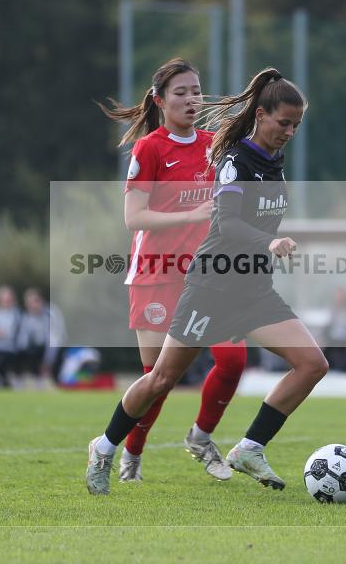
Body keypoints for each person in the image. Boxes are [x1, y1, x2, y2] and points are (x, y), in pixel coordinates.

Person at [87, 67, 326, 496]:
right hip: (211, 289)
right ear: (261, 115)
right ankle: (106, 447)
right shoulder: (234, 161)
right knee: (160, 380)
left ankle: (250, 447)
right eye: (284, 122)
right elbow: (228, 223)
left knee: (313, 364)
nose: (290, 131)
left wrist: (270, 250)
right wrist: (267, 243)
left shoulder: (274, 161)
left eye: (297, 125)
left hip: (252, 290)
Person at [97, 57, 248, 482]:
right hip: (156, 275)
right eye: (180, 92)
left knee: (233, 360)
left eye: (196, 91)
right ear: (160, 101)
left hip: (207, 276)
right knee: (158, 381)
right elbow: (133, 218)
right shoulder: (149, 148)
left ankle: (201, 437)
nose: (191, 99)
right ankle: (133, 453)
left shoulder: (214, 144)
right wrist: (190, 215)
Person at [15, 287, 65, 388]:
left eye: (33, 302)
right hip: (37, 351)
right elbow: (22, 342)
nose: (30, 306)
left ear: (40, 301)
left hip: (55, 350)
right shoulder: (26, 317)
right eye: (28, 302)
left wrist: (47, 362)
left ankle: (52, 381)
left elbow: (54, 340)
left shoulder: (51, 314)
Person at [323, 286, 346, 371]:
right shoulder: (333, 309)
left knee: (340, 353)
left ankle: (340, 370)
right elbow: (329, 325)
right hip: (333, 338)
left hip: (345, 339)